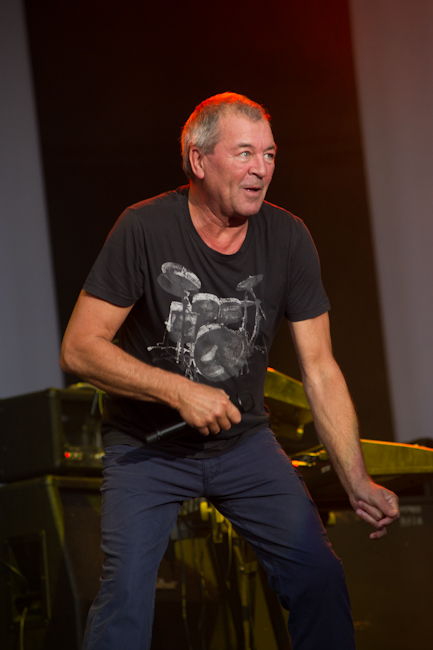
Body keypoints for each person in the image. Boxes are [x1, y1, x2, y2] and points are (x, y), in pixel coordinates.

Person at [60, 92, 399, 650]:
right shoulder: (144, 228)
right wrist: (178, 391)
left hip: (243, 446)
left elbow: (320, 369)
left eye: (269, 154)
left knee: (319, 577)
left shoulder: (288, 237)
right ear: (198, 160)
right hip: (147, 448)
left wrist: (356, 479)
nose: (261, 168)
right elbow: (79, 349)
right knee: (125, 599)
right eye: (245, 153)